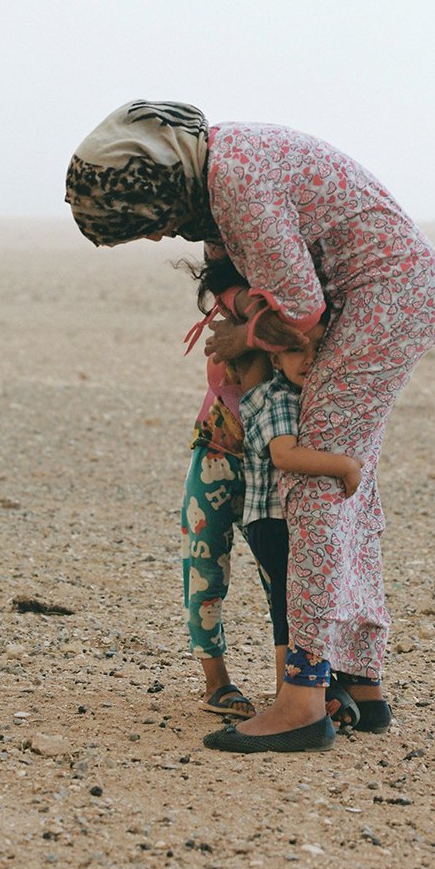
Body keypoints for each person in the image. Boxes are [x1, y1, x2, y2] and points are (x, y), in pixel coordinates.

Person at [66, 100, 435, 753]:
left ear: (160, 186)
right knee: (344, 491)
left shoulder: (234, 181)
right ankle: (360, 686)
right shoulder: (222, 173)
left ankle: (302, 701)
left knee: (314, 487)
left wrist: (237, 334)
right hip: (388, 297)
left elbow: (299, 311)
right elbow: (254, 283)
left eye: (146, 225)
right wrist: (244, 315)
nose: (158, 238)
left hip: (383, 302)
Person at [222, 320, 364, 750]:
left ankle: (313, 691)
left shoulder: (294, 394)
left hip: (275, 518)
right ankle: (293, 700)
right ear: (274, 356)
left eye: (317, 349)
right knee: (289, 605)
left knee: (291, 603)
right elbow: (285, 455)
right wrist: (343, 466)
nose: (308, 360)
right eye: (296, 351)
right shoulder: (279, 398)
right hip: (270, 519)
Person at [178, 253, 264, 721]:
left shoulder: (287, 308)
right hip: (216, 450)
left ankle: (293, 687)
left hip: (273, 462)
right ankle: (217, 682)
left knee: (283, 576)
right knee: (205, 567)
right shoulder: (235, 303)